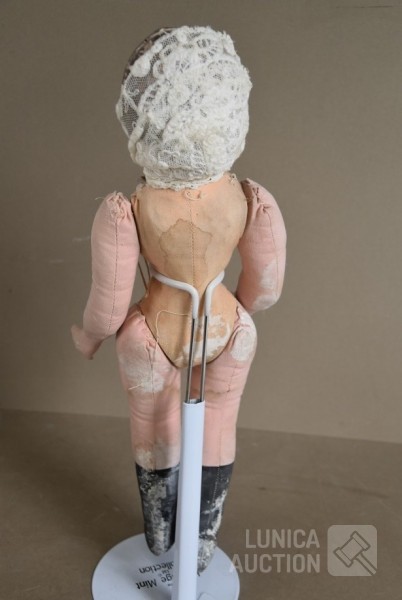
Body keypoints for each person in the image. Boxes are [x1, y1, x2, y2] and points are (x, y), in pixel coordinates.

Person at [71, 25, 286, 574]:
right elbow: (266, 288)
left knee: (152, 424)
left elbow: (109, 306)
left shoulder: (129, 209)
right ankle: (203, 540)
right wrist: (235, 309)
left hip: (153, 335)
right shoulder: (250, 198)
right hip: (226, 327)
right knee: (219, 421)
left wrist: (88, 337)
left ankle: (160, 534)